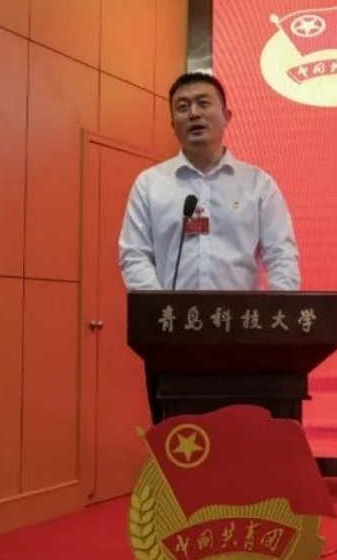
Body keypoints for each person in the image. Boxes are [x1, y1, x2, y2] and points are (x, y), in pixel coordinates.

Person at [117, 72, 301, 422]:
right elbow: (134, 254)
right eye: (182, 107)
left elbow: (281, 254)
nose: (194, 114)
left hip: (243, 338)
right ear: (172, 123)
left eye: (203, 103)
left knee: (242, 438)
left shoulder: (257, 184)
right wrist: (162, 314)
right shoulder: (150, 184)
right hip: (172, 342)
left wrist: (281, 322)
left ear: (227, 116)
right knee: (179, 439)